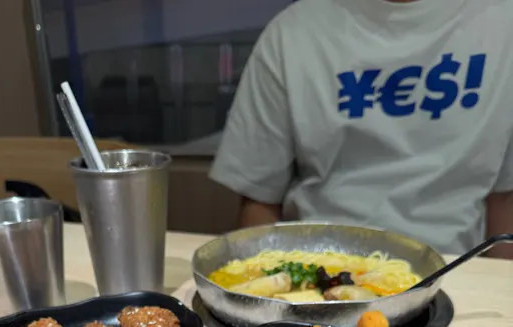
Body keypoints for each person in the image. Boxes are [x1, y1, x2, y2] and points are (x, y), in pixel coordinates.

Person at [210, 0, 513, 258]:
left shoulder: (501, 24)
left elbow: (504, 200)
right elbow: (260, 201)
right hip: (316, 269)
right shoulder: (292, 32)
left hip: (457, 269)